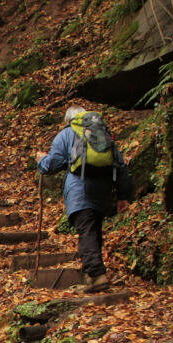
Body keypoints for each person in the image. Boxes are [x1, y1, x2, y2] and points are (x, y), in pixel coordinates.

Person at [35, 106, 132, 293]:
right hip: (103, 191)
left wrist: (40, 160)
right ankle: (91, 275)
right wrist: (123, 196)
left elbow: (52, 164)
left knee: (86, 231)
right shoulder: (101, 134)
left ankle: (97, 275)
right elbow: (120, 166)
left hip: (80, 191)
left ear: (68, 121)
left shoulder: (67, 134)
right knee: (94, 230)